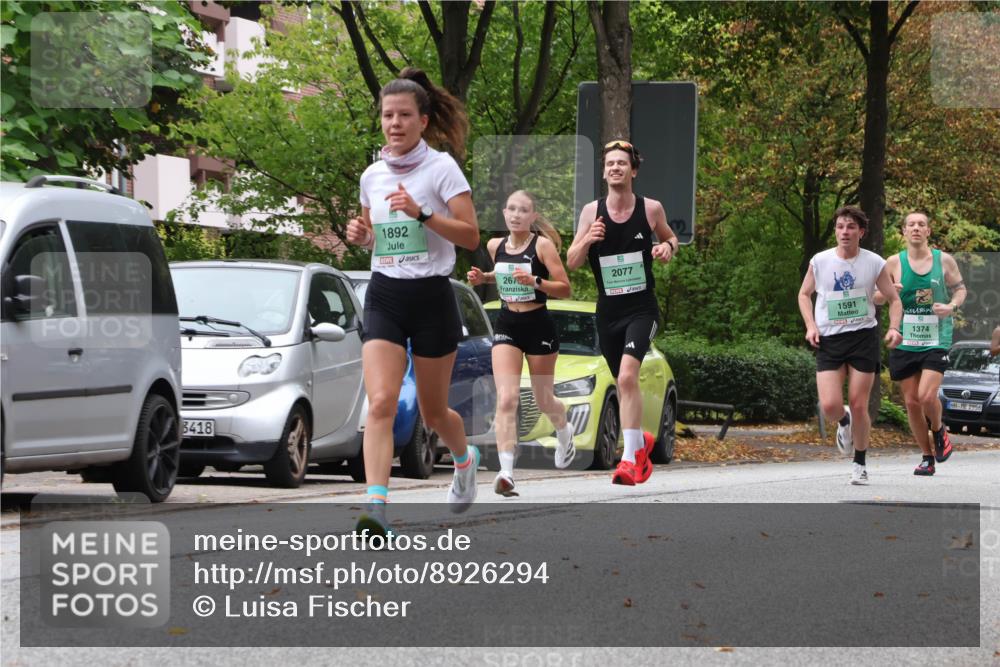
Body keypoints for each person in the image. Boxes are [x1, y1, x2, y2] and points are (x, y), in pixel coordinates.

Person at [345, 68, 480, 536]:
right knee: (380, 401)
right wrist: (360, 235)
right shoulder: (372, 175)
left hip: (431, 295)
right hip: (385, 292)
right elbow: (371, 236)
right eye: (387, 115)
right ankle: (375, 507)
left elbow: (470, 235)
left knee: (433, 411)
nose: (394, 123)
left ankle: (465, 461)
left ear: (423, 120)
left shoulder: (441, 168)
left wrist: (423, 214)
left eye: (404, 115)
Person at [566, 140, 679, 485]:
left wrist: (665, 248)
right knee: (622, 381)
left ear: (633, 170)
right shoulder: (591, 212)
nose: (615, 168)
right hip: (608, 312)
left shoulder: (651, 209)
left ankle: (629, 460)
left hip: (642, 309)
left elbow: (672, 240)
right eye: (610, 163)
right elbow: (571, 262)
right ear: (604, 172)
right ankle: (640, 443)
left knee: (628, 377)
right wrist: (588, 239)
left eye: (621, 163)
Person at [467, 190, 574, 497]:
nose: (516, 215)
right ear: (504, 213)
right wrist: (483, 278)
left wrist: (536, 283)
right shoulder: (494, 245)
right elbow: (501, 276)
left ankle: (563, 430)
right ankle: (506, 472)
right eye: (511, 209)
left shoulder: (542, 246)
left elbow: (565, 288)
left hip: (538, 325)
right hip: (507, 325)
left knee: (543, 400)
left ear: (533, 217)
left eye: (523, 210)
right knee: (506, 398)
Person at [798, 205, 903, 485]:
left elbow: (894, 299)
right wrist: (810, 325)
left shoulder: (874, 262)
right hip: (829, 338)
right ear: (836, 231)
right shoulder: (820, 261)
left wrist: (894, 328)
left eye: (851, 227)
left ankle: (860, 462)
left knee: (859, 404)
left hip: (863, 337)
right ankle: (843, 423)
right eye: (840, 227)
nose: (845, 232)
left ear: (861, 232)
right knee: (831, 406)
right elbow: (804, 294)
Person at [874, 211, 966, 475]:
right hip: (905, 339)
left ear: (928, 231)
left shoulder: (943, 260)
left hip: (936, 338)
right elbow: (876, 297)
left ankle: (938, 430)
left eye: (921, 224)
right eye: (911, 224)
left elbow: (961, 289)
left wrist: (950, 306)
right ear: (903, 231)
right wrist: (890, 292)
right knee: (912, 402)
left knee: (927, 395)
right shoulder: (892, 263)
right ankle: (927, 457)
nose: (916, 228)